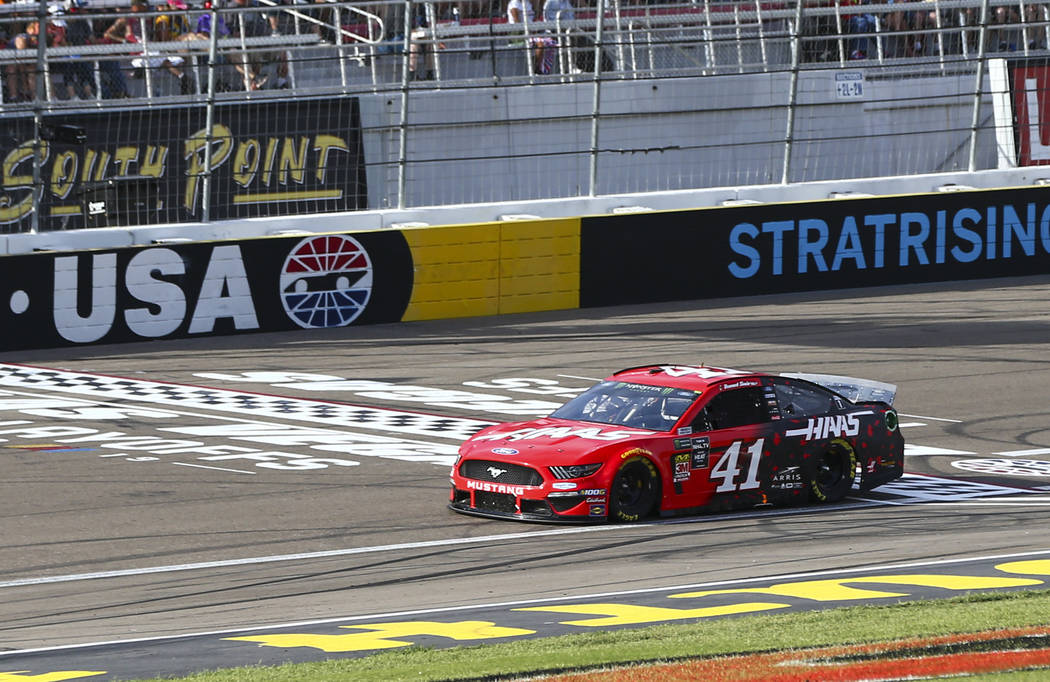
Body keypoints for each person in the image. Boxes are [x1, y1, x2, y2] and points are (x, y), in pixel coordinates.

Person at [104, 0, 191, 94]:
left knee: (166, 58)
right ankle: (182, 77)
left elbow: (152, 36)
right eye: (143, 6)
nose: (145, 8)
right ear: (135, 6)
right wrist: (124, 41)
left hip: (149, 49)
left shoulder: (148, 19)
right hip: (136, 52)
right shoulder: (126, 19)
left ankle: (182, 79)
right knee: (161, 60)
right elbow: (107, 34)